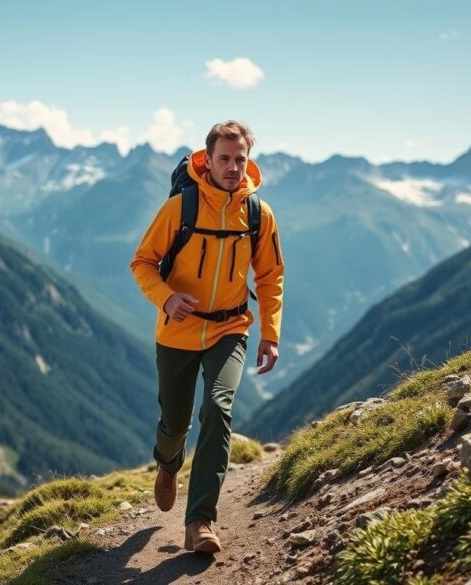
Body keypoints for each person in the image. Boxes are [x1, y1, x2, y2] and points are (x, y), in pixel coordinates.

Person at [129, 120, 284, 553]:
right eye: (225, 159)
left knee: (218, 408)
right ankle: (167, 464)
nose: (233, 167)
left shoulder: (257, 213)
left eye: (240, 159)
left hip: (229, 329)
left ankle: (200, 521)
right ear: (207, 160)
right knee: (175, 422)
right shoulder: (180, 208)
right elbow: (143, 262)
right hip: (177, 331)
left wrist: (269, 333)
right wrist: (165, 297)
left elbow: (271, 276)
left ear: (248, 160)